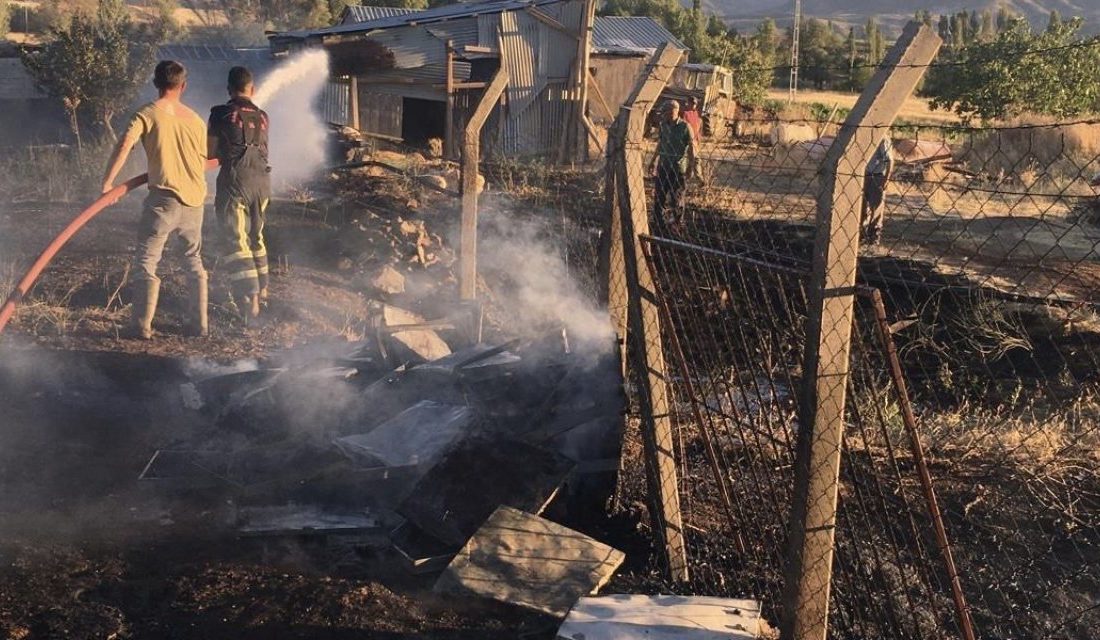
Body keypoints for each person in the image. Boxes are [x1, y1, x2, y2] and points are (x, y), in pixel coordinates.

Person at [102, 60, 208, 340]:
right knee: (193, 260)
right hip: (196, 202)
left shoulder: (147, 113)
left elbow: (125, 143)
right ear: (183, 86)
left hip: (164, 199)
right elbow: (204, 160)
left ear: (156, 83)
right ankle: (199, 324)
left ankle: (140, 326)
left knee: (147, 261)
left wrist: (108, 183)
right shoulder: (196, 121)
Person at [208, 66, 272, 325]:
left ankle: (251, 301)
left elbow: (211, 152)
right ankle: (264, 289)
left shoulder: (220, 113)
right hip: (263, 184)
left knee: (236, 242)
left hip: (236, 184)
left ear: (228, 90)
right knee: (256, 237)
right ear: (252, 90)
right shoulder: (263, 116)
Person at [648, 99, 698, 234]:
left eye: (665, 112)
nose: (663, 115)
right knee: (659, 197)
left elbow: (692, 149)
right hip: (663, 167)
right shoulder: (663, 125)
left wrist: (691, 168)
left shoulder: (685, 127)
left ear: (674, 111)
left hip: (678, 169)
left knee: (677, 199)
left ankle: (677, 226)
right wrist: (653, 160)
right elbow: (661, 143)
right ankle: (658, 225)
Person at [861, 136, 894, 246]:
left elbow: (889, 160)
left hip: (878, 176)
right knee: (863, 208)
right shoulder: (865, 134)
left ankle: (874, 239)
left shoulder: (882, 139)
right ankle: (862, 237)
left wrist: (886, 180)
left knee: (876, 209)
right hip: (864, 175)